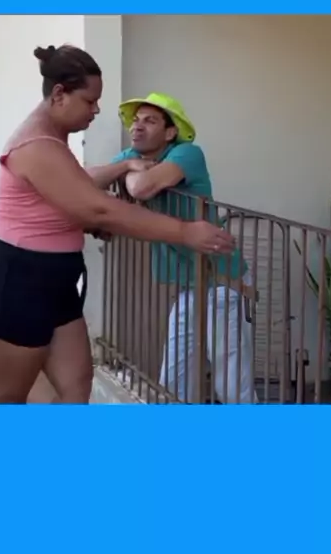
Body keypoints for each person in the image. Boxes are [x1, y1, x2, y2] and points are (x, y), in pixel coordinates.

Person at [0, 51, 236, 405]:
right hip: (10, 283)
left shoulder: (52, 139)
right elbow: (98, 208)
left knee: (76, 386)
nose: (97, 110)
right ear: (59, 94)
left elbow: (73, 189)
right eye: (90, 101)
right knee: (11, 400)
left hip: (54, 285)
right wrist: (185, 232)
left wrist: (116, 176)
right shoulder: (36, 145)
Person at [88, 92, 258, 404]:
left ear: (170, 132)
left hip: (223, 282)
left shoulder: (187, 153)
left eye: (150, 121)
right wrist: (126, 163)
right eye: (136, 120)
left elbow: (143, 187)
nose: (137, 127)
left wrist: (129, 174)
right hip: (189, 285)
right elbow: (85, 181)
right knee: (175, 379)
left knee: (232, 383)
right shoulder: (132, 155)